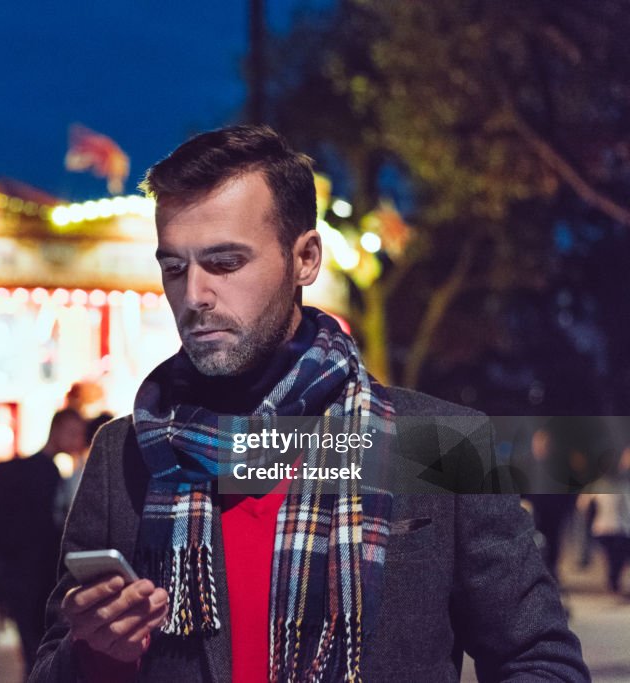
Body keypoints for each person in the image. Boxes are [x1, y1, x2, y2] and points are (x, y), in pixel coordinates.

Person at [29, 125, 589, 682]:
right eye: (174, 267)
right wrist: (97, 655)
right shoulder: (123, 455)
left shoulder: (438, 444)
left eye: (225, 263)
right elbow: (51, 667)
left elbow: (540, 661)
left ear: (306, 259)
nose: (194, 295)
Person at [0, 409, 86, 674]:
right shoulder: (45, 473)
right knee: (37, 650)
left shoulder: (35, 469)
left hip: (18, 571)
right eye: (73, 433)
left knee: (33, 648)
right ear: (56, 431)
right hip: (32, 574)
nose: (78, 439)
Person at [577, 446, 630, 594]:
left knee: (614, 557)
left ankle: (613, 582)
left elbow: (582, 505)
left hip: (601, 528)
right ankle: (614, 582)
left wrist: (589, 517)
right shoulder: (622, 485)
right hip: (618, 528)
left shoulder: (596, 485)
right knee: (616, 558)